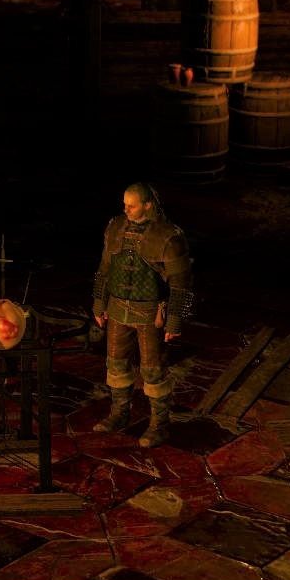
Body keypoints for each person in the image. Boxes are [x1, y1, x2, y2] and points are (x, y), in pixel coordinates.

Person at [92, 182, 194, 448]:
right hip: (117, 310)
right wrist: (99, 304)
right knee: (116, 364)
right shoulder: (115, 227)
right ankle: (119, 414)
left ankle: (159, 425)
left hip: (149, 314)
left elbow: (181, 284)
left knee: (153, 370)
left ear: (148, 205)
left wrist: (174, 321)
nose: (125, 210)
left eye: (132, 205)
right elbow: (105, 268)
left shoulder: (168, 236)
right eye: (124, 204)